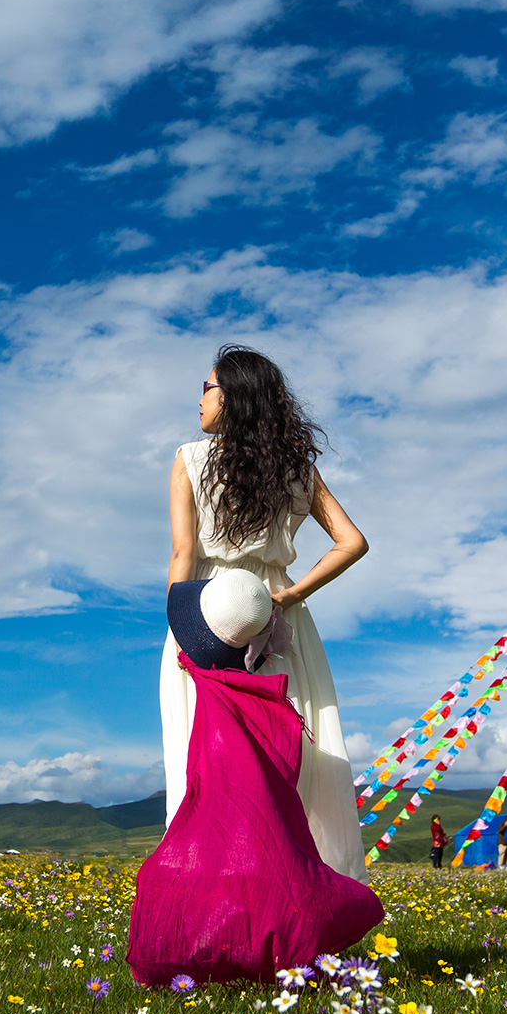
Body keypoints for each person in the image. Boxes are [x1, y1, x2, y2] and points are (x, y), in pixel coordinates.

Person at [160, 344, 371, 882]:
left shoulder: (189, 459)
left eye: (207, 388)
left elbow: (183, 554)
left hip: (205, 612)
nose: (200, 400)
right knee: (284, 759)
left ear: (233, 398)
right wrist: (292, 594)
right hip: (276, 618)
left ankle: (212, 899)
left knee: (204, 761)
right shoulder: (297, 472)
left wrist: (182, 627)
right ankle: (297, 893)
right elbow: (352, 542)